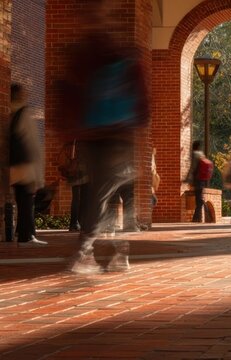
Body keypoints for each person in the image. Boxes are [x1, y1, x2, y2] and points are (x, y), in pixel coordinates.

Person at [64, 0, 150, 274]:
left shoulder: (85, 53)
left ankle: (92, 251)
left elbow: (70, 95)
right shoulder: (117, 53)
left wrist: (70, 133)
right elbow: (142, 106)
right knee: (107, 193)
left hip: (98, 134)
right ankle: (113, 250)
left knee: (101, 194)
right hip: (114, 135)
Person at [9, 84, 46, 246]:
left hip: (14, 167)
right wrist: (39, 174)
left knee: (21, 199)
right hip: (27, 166)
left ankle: (22, 232)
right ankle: (27, 236)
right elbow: (33, 145)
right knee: (27, 200)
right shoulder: (24, 114)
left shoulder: (11, 115)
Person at [59, 140, 86, 231]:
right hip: (81, 172)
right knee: (81, 199)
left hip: (73, 172)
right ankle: (77, 223)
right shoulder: (82, 139)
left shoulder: (70, 140)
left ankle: (74, 223)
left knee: (77, 199)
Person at [185, 141, 208, 222]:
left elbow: (193, 168)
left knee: (199, 199)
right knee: (199, 199)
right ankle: (197, 217)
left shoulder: (195, 154)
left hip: (197, 179)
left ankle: (198, 217)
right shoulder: (202, 154)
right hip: (202, 179)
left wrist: (187, 179)